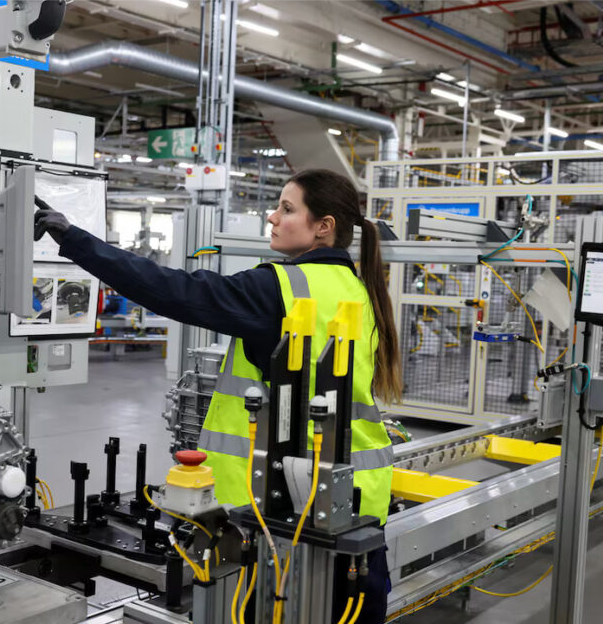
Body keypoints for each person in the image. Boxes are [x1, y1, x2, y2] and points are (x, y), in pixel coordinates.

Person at [34, 168, 401, 623]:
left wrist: (76, 240)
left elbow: (173, 290)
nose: (272, 217)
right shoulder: (360, 290)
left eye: (287, 209)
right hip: (358, 498)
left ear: (323, 227)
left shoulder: (281, 287)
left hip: (284, 507)